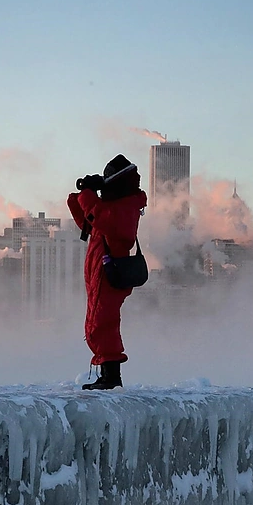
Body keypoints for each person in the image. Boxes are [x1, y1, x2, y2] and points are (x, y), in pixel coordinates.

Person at [67, 154, 147, 390]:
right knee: (99, 322)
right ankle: (107, 375)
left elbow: (98, 216)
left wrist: (89, 194)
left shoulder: (124, 209)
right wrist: (83, 192)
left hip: (110, 274)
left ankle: (111, 376)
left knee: (102, 323)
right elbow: (86, 220)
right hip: (100, 274)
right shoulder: (114, 207)